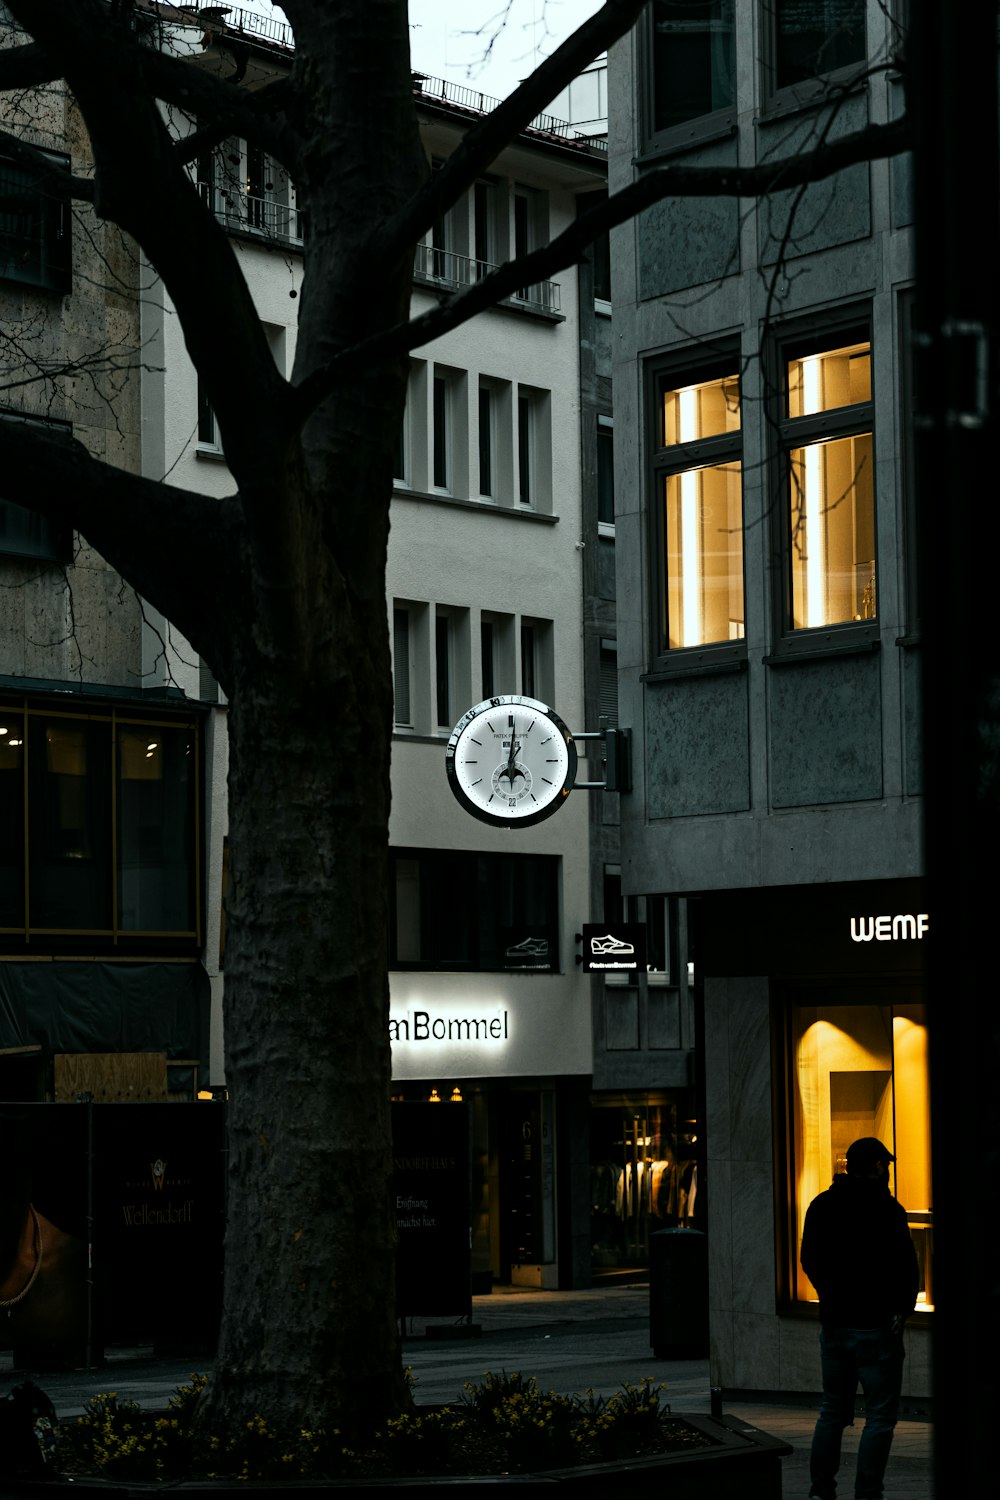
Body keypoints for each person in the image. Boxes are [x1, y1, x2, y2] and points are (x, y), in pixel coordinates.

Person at [800, 1137, 919, 1500]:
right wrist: (900, 1309)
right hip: (878, 1325)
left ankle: (821, 1490)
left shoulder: (822, 1205)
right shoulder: (888, 1209)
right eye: (886, 1166)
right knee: (880, 1416)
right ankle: (868, 1491)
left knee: (832, 1411)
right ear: (879, 1167)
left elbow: (809, 1258)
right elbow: (906, 1268)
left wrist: (830, 1294)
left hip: (835, 1323)